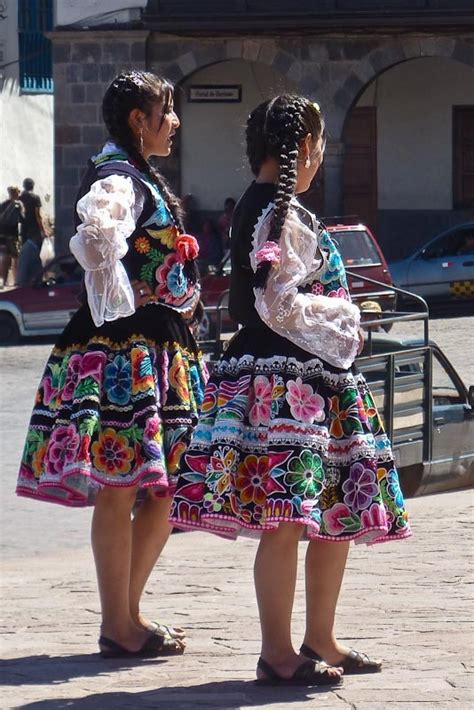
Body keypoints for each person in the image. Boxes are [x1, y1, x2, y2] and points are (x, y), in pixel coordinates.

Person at [170, 94, 411, 685]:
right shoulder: (279, 213)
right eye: (319, 145)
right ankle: (278, 652)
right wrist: (346, 318)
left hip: (305, 381)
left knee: (331, 512)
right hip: (289, 386)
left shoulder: (272, 209)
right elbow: (275, 305)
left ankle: (319, 638)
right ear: (301, 149)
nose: (320, 157)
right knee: (285, 516)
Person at [16, 71, 207, 658]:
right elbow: (99, 238)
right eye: (164, 112)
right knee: (123, 487)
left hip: (153, 345)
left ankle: (125, 615)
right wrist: (125, 298)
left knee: (160, 488)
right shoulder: (118, 177)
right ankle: (118, 622)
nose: (172, 122)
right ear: (137, 120)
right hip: (128, 352)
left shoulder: (135, 173)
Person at [17, 178, 45, 286]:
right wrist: (43, 230)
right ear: (32, 186)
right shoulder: (35, 198)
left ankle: (25, 278)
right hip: (34, 230)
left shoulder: (20, 198)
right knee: (36, 255)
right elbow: (38, 215)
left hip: (24, 229)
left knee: (25, 254)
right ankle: (36, 277)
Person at [0, 186, 24, 286]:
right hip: (13, 236)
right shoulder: (17, 205)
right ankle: (16, 281)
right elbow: (22, 219)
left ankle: (3, 281)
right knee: (16, 258)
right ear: (16, 193)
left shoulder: (3, 205)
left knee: (4, 258)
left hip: (2, 236)